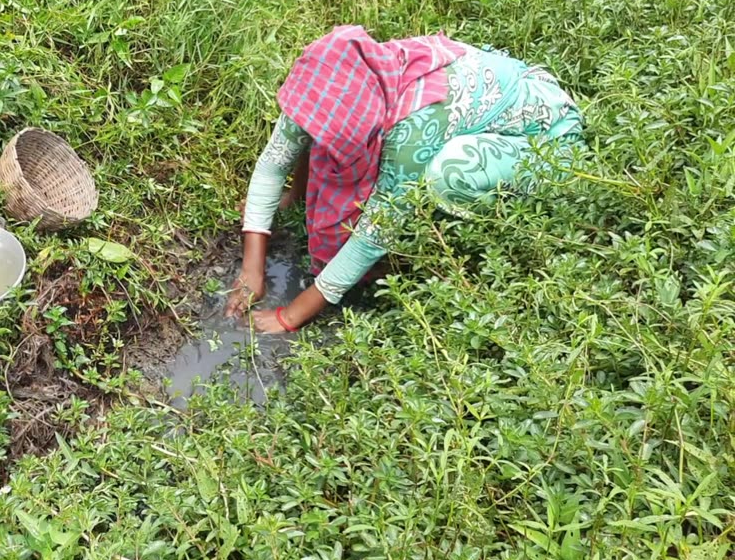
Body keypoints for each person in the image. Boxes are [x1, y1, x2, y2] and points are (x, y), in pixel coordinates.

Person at [225, 25, 584, 333]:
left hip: (544, 143)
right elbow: (274, 162)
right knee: (328, 143)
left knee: (445, 175)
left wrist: (293, 313)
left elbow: (375, 231)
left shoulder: (413, 133)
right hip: (487, 111)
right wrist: (252, 269)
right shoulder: (326, 84)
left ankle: (439, 239)